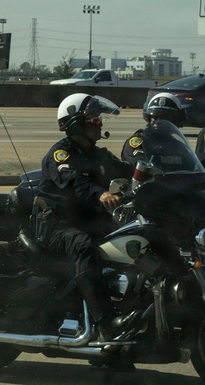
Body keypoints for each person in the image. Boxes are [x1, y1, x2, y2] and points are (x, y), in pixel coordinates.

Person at [35, 93, 135, 343]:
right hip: (57, 225)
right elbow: (74, 183)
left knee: (133, 240)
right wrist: (101, 194)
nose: (99, 124)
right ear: (75, 123)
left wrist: (152, 173)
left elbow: (127, 171)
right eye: (93, 119)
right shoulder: (61, 155)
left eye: (99, 119)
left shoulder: (97, 154)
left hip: (89, 221)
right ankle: (107, 322)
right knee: (84, 248)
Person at [121, 92, 186, 164]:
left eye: (164, 118)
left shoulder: (178, 146)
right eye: (155, 117)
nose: (158, 121)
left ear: (175, 120)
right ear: (149, 118)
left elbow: (193, 168)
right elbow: (141, 163)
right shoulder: (140, 142)